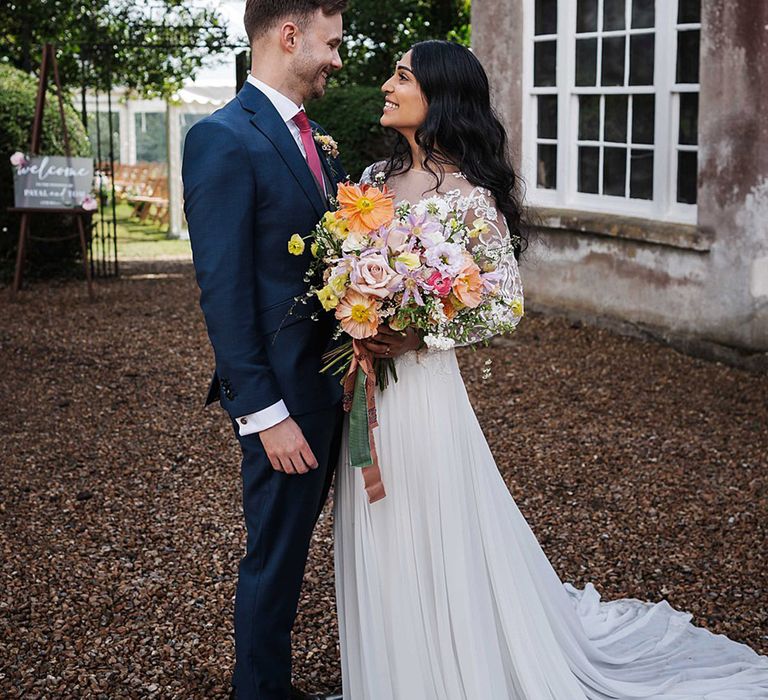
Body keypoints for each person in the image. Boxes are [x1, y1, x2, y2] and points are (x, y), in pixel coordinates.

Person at [333, 40, 768, 699]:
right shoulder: (368, 181)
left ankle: (448, 671)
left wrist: (418, 332)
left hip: (422, 389)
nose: (387, 86)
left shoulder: (468, 199)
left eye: (402, 76)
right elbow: (342, 266)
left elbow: (503, 304)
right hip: (369, 389)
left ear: (439, 96)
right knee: (378, 522)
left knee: (427, 519)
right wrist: (353, 306)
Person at [182, 1, 350, 698]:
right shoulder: (222, 138)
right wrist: (263, 413)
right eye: (332, 42)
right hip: (282, 402)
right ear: (290, 36)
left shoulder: (318, 142)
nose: (337, 59)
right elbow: (224, 294)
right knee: (274, 563)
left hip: (328, 388)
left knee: (296, 556)